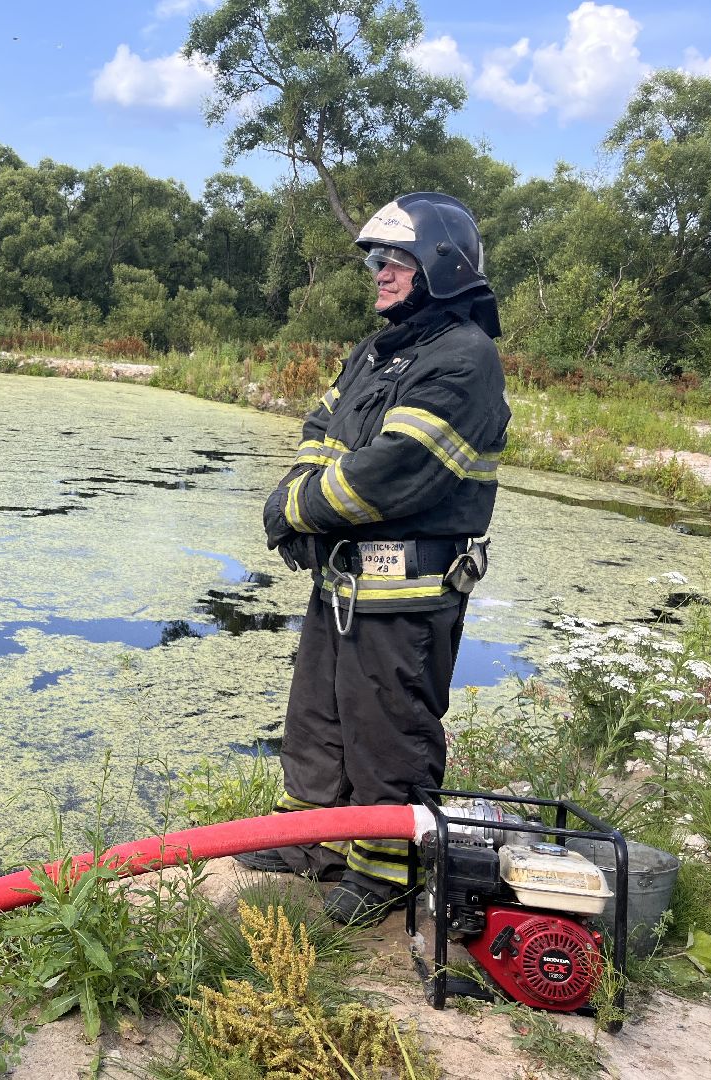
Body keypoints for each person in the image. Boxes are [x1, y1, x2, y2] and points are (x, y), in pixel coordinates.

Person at [237, 192, 510, 928]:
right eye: (377, 260)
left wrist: (296, 510)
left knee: (387, 727)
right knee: (318, 716)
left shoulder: (465, 358)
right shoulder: (379, 351)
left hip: (409, 591)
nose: (379, 273)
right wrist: (299, 490)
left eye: (395, 260)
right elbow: (323, 427)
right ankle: (312, 843)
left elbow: (399, 468)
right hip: (344, 581)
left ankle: (385, 869)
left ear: (440, 267)